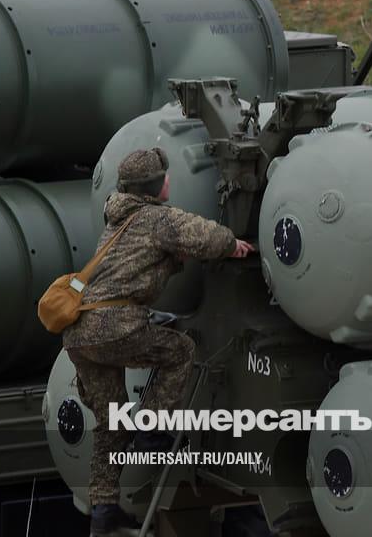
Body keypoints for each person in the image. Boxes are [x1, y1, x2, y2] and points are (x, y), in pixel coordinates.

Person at [63, 148, 254, 536]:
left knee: (111, 423)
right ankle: (152, 428)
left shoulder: (116, 217)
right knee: (181, 352)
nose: (168, 181)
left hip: (80, 333)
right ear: (154, 186)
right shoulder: (155, 219)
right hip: (113, 325)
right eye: (163, 177)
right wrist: (232, 244)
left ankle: (103, 510)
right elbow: (207, 237)